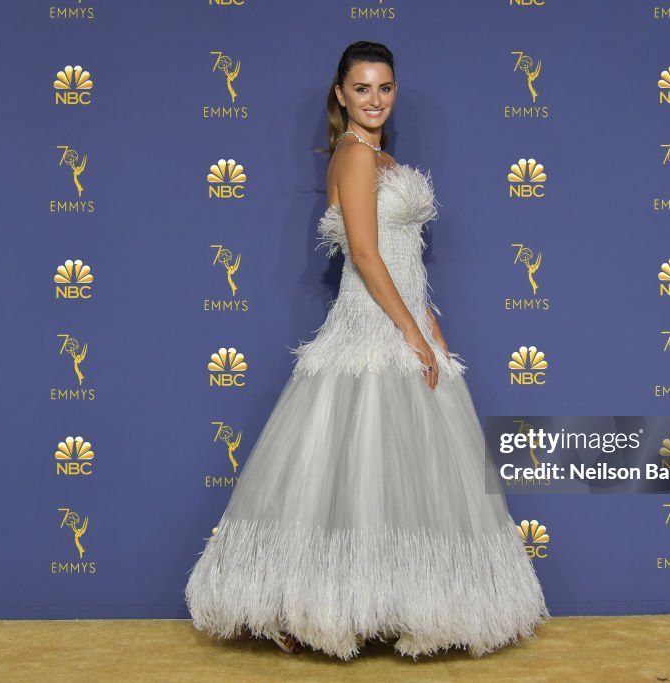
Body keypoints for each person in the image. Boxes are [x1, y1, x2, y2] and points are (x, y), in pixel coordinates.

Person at [185, 40, 548, 660]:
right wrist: (410, 331)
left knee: (402, 474)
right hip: (370, 324)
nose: (373, 100)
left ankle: (398, 604)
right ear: (340, 94)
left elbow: (406, 261)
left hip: (403, 317)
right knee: (353, 467)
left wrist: (430, 325)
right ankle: (322, 608)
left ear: (394, 93)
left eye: (384, 88)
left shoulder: (383, 160)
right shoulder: (354, 158)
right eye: (361, 89)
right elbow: (365, 254)